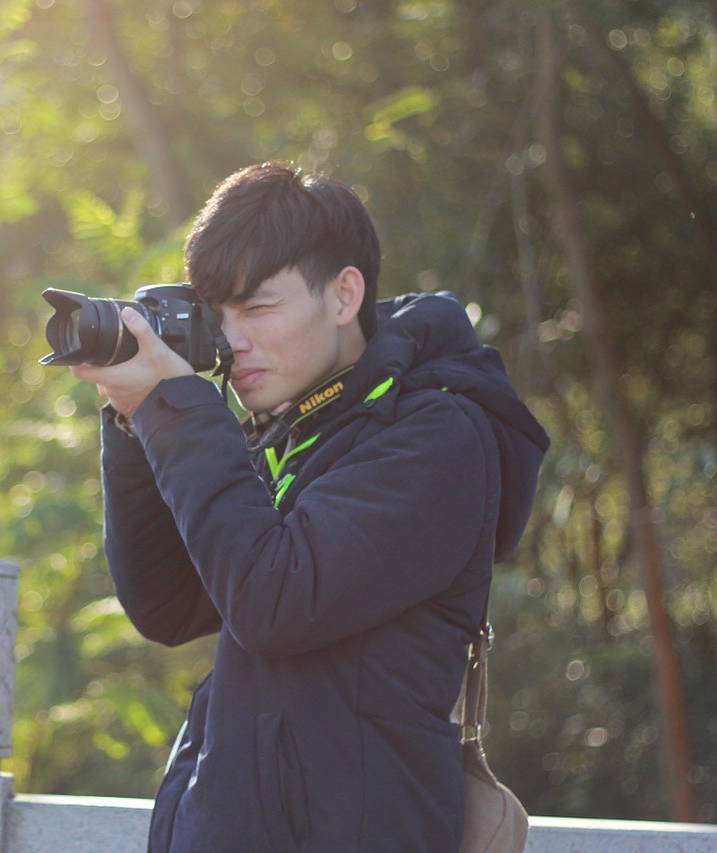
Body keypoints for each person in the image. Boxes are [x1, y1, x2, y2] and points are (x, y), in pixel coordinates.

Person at [69, 161, 549, 851]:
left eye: (259, 308)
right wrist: (134, 420)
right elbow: (168, 604)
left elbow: (274, 600)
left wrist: (178, 411)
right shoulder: (293, 439)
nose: (233, 344)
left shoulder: (434, 439)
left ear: (345, 294)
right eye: (219, 315)